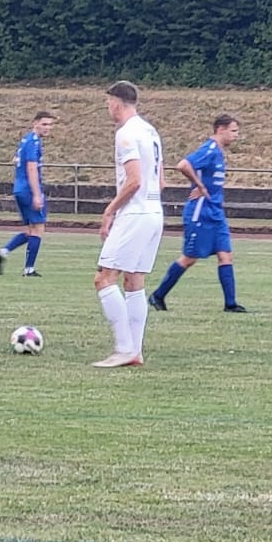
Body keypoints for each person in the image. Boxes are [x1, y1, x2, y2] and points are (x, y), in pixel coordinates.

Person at [92, 81, 164, 368]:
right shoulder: (150, 131)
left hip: (135, 213)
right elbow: (160, 181)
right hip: (154, 211)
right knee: (134, 281)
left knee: (103, 278)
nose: (108, 108)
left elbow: (134, 181)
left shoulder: (126, 134)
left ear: (116, 102)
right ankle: (135, 351)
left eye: (108, 102)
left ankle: (124, 348)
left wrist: (110, 211)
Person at [150, 115, 247, 313]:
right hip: (200, 212)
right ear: (220, 129)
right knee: (190, 258)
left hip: (216, 212)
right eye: (233, 131)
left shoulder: (219, 152)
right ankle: (158, 295)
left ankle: (230, 304)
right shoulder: (209, 150)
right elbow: (183, 165)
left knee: (225, 255)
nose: (237, 135)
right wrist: (199, 185)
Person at [0, 111, 56, 277]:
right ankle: (29, 269)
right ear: (35, 123)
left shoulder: (25, 140)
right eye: (44, 124)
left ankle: (3, 252)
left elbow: (15, 160)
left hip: (19, 188)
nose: (48, 128)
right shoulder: (33, 142)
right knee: (38, 229)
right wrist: (36, 194)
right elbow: (31, 168)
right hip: (29, 189)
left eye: (50, 124)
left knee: (29, 230)